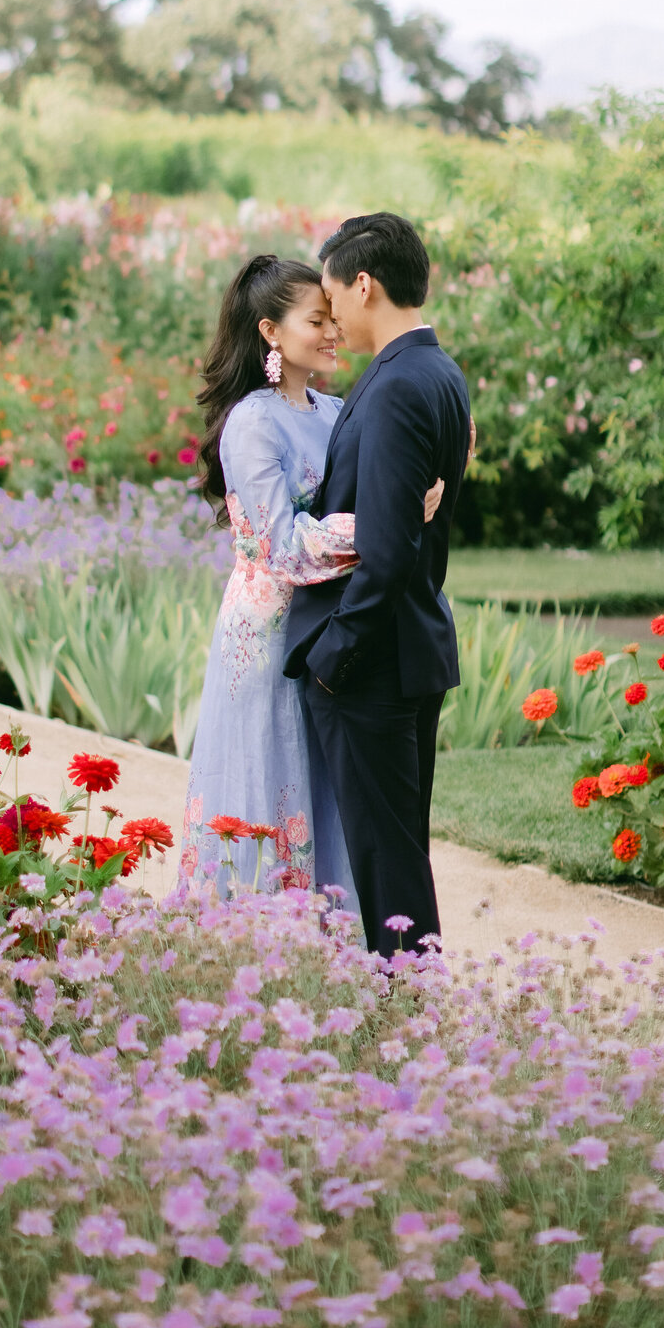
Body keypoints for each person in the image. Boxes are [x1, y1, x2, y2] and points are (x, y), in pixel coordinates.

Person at [179, 253, 444, 903]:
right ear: (271, 331)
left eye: (334, 317)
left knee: (328, 789)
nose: (333, 331)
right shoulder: (251, 422)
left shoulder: (335, 410)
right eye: (316, 319)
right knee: (271, 785)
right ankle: (256, 945)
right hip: (267, 636)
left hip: (326, 629)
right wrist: (386, 520)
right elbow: (281, 545)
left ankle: (330, 945)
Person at [283, 213, 471, 959]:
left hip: (375, 662)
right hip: (412, 646)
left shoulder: (395, 385)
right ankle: (410, 1004)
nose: (330, 313)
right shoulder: (440, 372)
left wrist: (334, 655)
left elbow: (386, 553)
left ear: (364, 284)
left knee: (386, 857)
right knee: (397, 847)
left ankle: (410, 1013)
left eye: (332, 294)